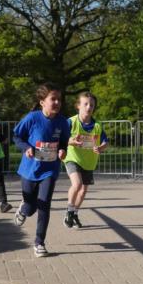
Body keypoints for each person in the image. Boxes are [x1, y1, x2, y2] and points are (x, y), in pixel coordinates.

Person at [12, 83, 71, 258]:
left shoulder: (63, 122)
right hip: (30, 169)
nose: (57, 103)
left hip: (49, 170)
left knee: (44, 204)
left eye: (59, 99)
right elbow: (17, 136)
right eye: (53, 99)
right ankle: (23, 209)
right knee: (31, 207)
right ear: (42, 102)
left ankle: (39, 242)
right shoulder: (32, 118)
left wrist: (62, 150)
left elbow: (64, 142)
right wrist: (26, 148)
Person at [63, 91, 108, 229]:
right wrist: (71, 141)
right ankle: (69, 211)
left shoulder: (97, 125)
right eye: (85, 104)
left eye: (92, 105)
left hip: (89, 161)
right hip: (72, 158)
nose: (89, 107)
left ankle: (75, 213)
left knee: (83, 191)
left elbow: (106, 142)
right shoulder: (71, 122)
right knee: (77, 184)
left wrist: (101, 148)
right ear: (78, 106)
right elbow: (61, 138)